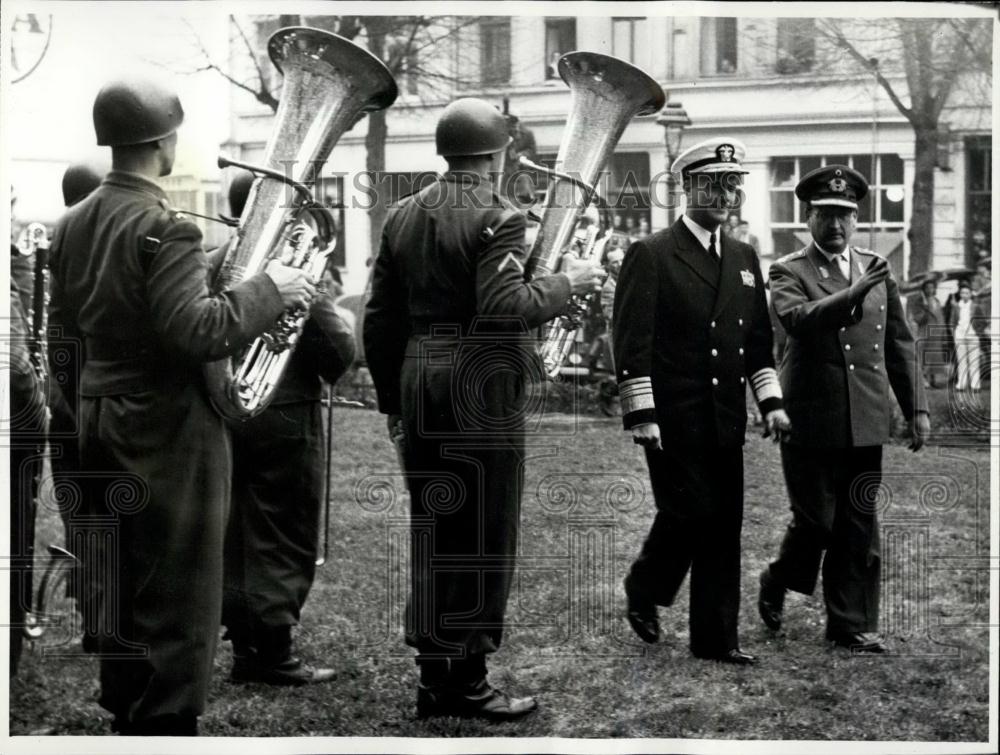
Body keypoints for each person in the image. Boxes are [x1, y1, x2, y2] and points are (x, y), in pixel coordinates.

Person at [47, 77, 315, 736]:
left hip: (98, 414)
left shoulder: (70, 224)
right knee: (180, 584)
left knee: (122, 573)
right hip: (169, 428)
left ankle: (125, 701)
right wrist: (270, 290)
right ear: (165, 141)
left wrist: (93, 401)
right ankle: (165, 723)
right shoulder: (166, 228)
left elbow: (63, 341)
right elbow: (197, 331)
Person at [364, 97, 604, 719]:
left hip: (420, 376)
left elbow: (379, 320)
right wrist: (567, 285)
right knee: (483, 530)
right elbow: (503, 307)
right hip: (477, 384)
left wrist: (394, 398)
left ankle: (433, 678)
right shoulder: (500, 215)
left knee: (435, 528)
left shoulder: (402, 213)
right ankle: (468, 682)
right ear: (498, 154)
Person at [613, 138, 791, 665]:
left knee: (723, 523)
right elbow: (632, 338)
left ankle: (716, 639)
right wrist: (641, 411)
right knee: (688, 511)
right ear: (686, 188)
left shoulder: (743, 257)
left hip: (724, 417)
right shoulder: (652, 253)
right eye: (712, 182)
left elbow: (757, 341)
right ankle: (645, 587)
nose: (724, 193)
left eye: (732, 183)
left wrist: (771, 402)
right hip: (671, 417)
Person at [758, 164, 930, 654]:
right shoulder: (788, 271)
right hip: (808, 416)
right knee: (815, 522)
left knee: (856, 523)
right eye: (825, 215)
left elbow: (898, 340)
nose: (836, 225)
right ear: (807, 217)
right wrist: (854, 292)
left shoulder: (876, 267)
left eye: (845, 216)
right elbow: (799, 320)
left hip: (866, 414)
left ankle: (848, 624)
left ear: (857, 220)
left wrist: (915, 407)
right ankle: (778, 578)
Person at [218, 171, 355, 686]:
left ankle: (245, 643)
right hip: (285, 412)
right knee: (283, 527)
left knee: (237, 529)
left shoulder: (214, 262)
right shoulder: (292, 272)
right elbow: (339, 352)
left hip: (227, 411)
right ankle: (270, 653)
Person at [906, 278, 947, 388]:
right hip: (925, 333)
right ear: (923, 289)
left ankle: (933, 379)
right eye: (927, 288)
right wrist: (925, 308)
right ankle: (924, 379)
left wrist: (943, 331)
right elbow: (918, 319)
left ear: (934, 289)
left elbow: (940, 317)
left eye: (932, 287)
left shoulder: (937, 301)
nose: (930, 290)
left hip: (936, 333)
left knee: (935, 357)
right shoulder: (919, 302)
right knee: (925, 357)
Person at [949, 279, 985, 391]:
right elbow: (952, 322)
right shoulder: (956, 307)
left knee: (974, 361)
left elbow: (982, 322)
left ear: (970, 294)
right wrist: (954, 334)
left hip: (973, 337)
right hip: (960, 336)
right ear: (960, 294)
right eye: (962, 293)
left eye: (967, 293)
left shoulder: (975, 306)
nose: (964, 295)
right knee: (961, 361)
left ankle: (975, 385)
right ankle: (961, 384)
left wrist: (977, 332)